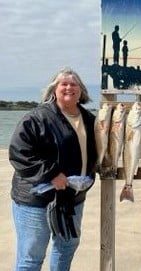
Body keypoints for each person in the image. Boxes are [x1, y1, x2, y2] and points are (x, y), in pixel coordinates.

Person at [9, 67, 98, 270]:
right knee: (31, 256)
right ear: (53, 90)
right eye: (63, 83)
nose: (69, 87)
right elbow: (19, 153)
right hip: (36, 201)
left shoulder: (90, 120)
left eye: (74, 84)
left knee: (66, 248)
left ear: (81, 91)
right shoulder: (36, 117)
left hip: (72, 199)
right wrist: (51, 174)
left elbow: (97, 152)